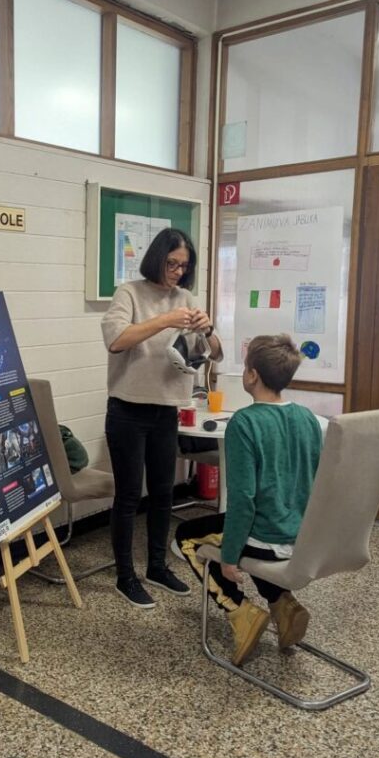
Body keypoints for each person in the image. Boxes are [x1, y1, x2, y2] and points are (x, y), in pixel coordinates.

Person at [172, 334, 327, 665]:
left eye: (245, 367)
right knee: (244, 529)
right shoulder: (306, 418)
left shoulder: (244, 423)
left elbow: (243, 501)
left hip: (267, 537)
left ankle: (240, 611)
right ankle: (283, 604)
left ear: (252, 375)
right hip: (303, 538)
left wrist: (229, 558)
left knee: (186, 536)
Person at [101, 228, 223, 609]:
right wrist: (166, 319)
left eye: (184, 266)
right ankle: (125, 576)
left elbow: (216, 353)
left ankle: (157, 566)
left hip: (166, 411)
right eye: (172, 263)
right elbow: (116, 340)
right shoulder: (129, 293)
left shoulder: (186, 297)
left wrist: (208, 328)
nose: (177, 272)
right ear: (156, 258)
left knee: (163, 493)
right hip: (127, 410)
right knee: (128, 496)